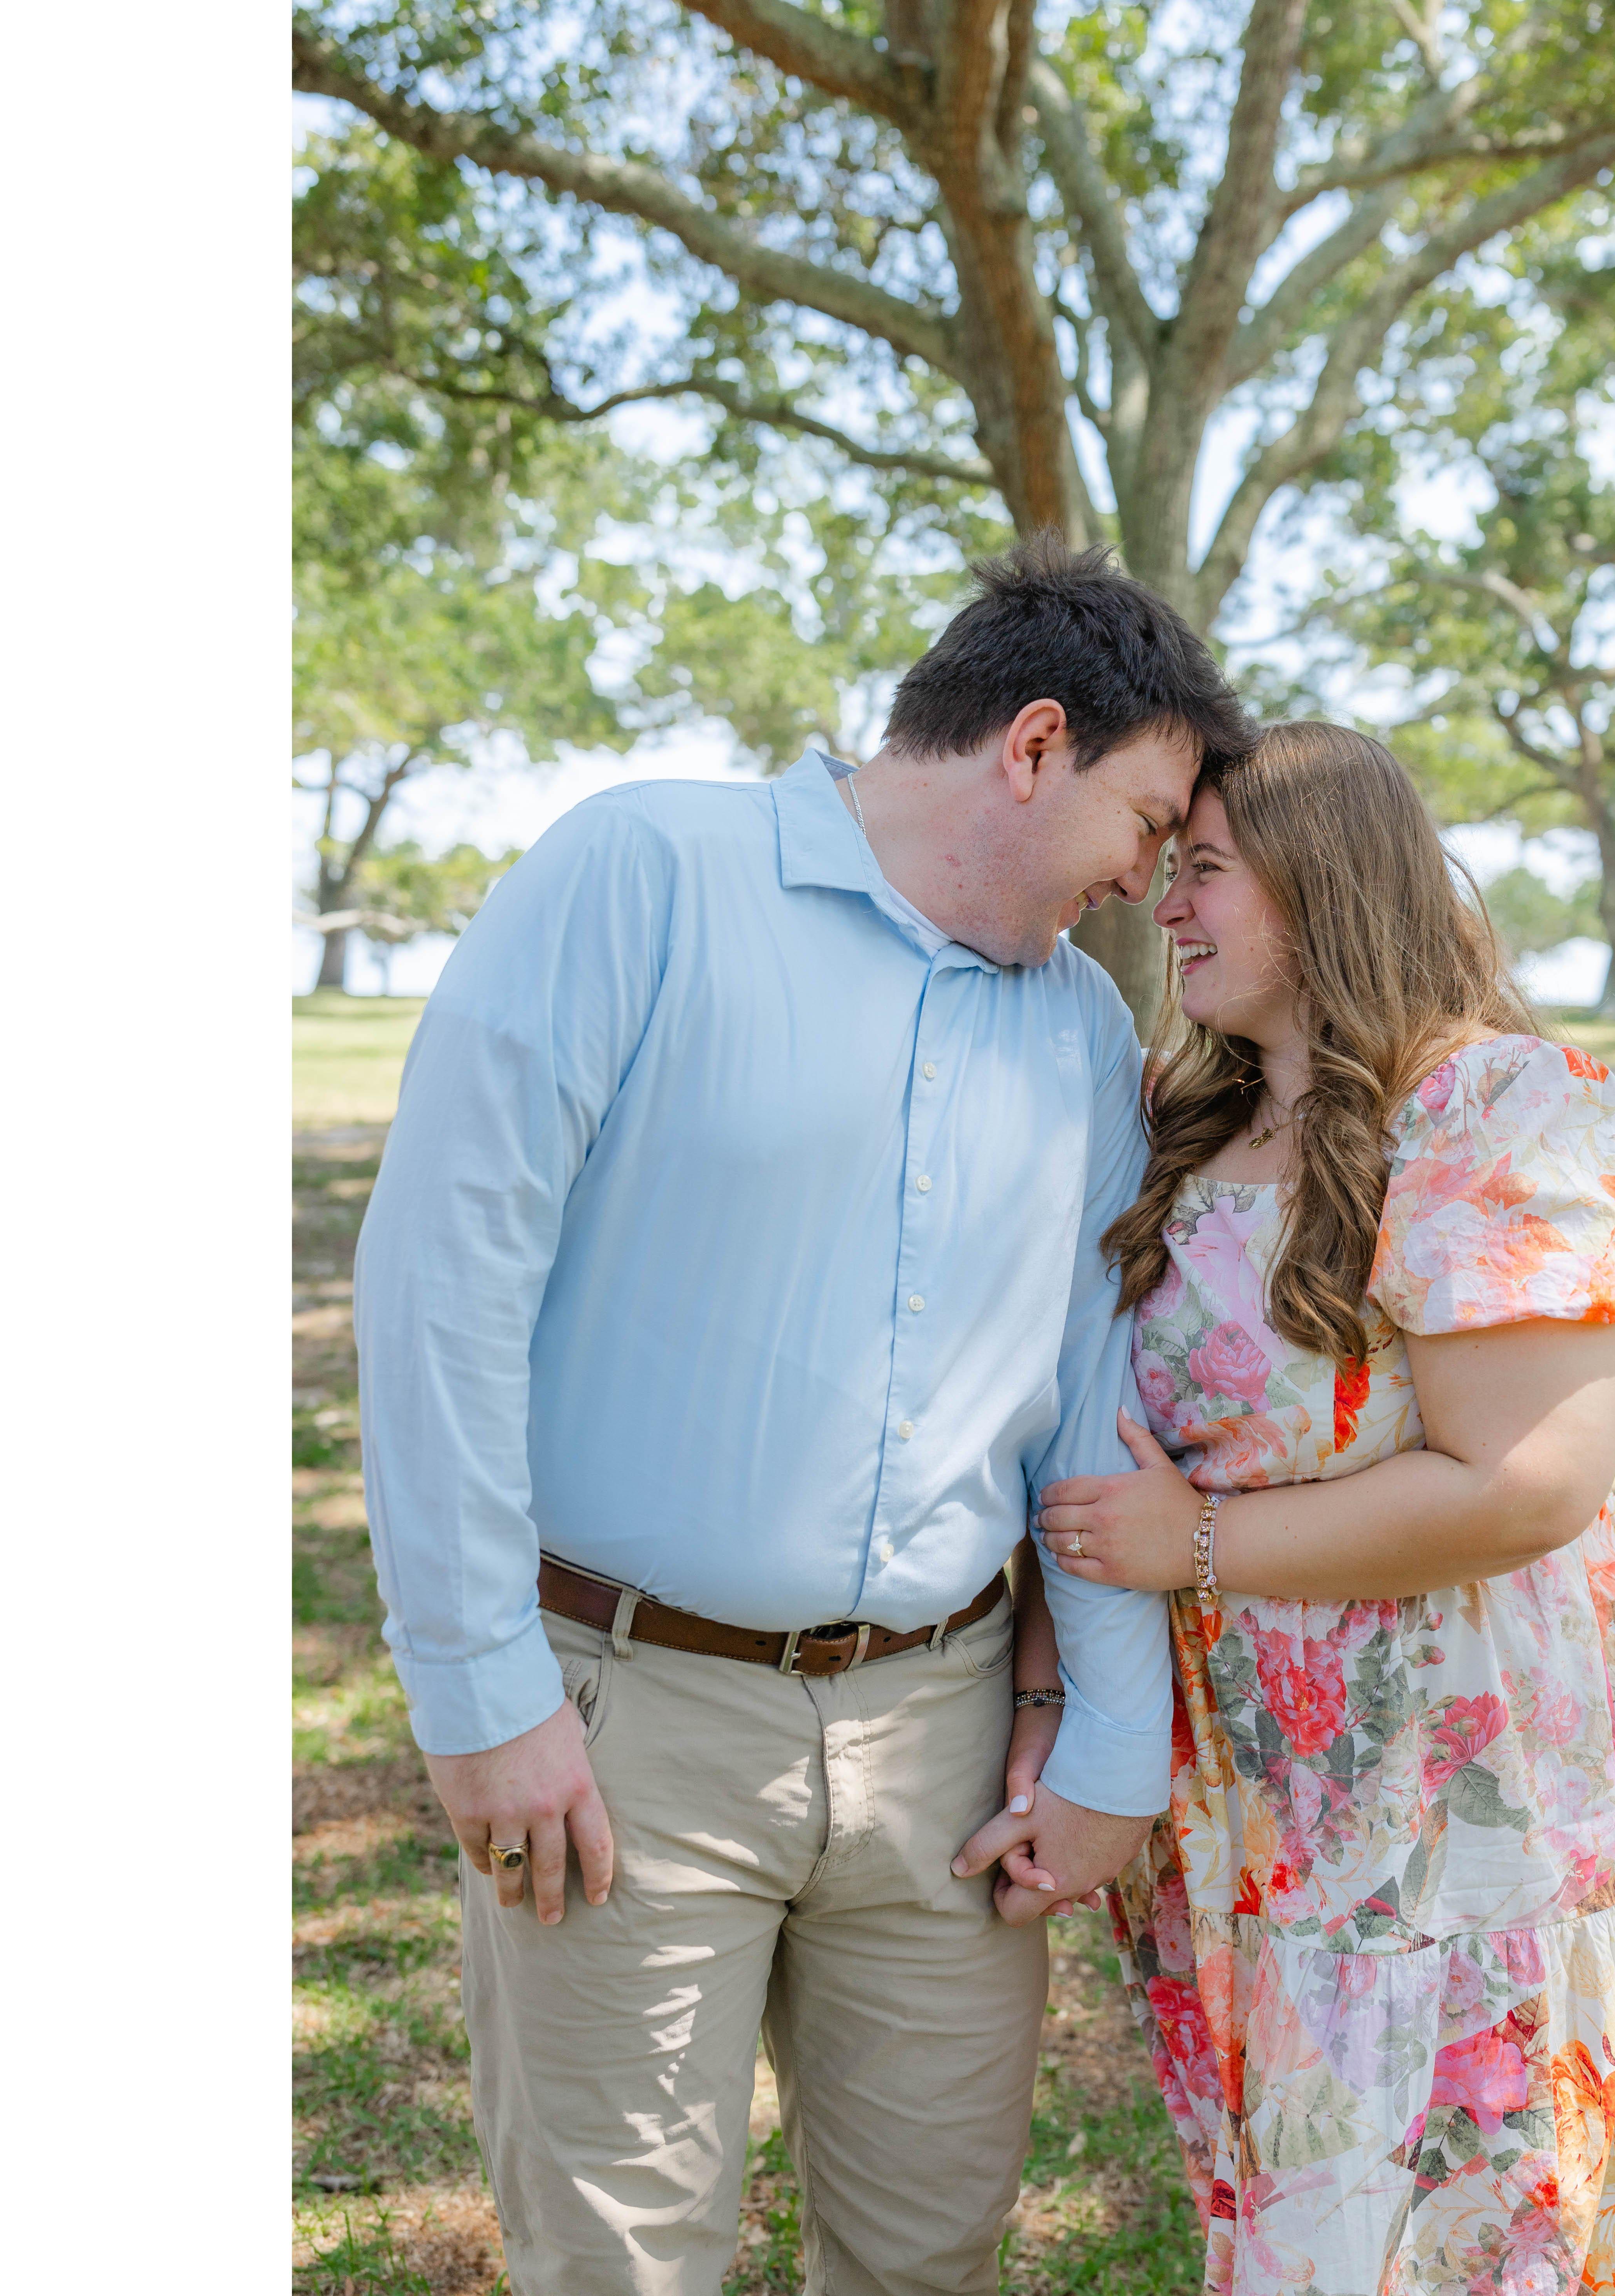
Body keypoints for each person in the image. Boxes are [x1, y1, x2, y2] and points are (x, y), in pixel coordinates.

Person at [351, 535, 1258, 2296]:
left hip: (943, 1740)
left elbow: (1085, 1392)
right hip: (621, 1725)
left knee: (930, 2252)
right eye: (1148, 823)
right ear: (1033, 744)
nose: (1150, 883)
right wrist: (477, 1688)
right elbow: (440, 1289)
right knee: (619, 2262)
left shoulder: (1080, 1026)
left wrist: (1106, 1739)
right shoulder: (640, 875)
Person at [1035, 723, 1615, 2294]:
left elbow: (1530, 1480)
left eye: (1205, 871)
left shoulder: (1489, 1104)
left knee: (1474, 2204)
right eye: (1168, 866)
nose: (1166, 905)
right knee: (1312, 2187)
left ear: (1320, 882)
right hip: (1259, 1766)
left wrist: (1197, 1542)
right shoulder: (1186, 1119)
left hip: (1456, 1761)